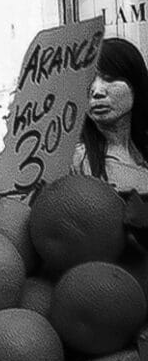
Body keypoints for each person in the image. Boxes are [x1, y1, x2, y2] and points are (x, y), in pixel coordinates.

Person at [75, 37, 148, 228]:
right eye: (89, 80)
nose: (97, 91)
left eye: (110, 79)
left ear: (135, 84)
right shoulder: (75, 160)